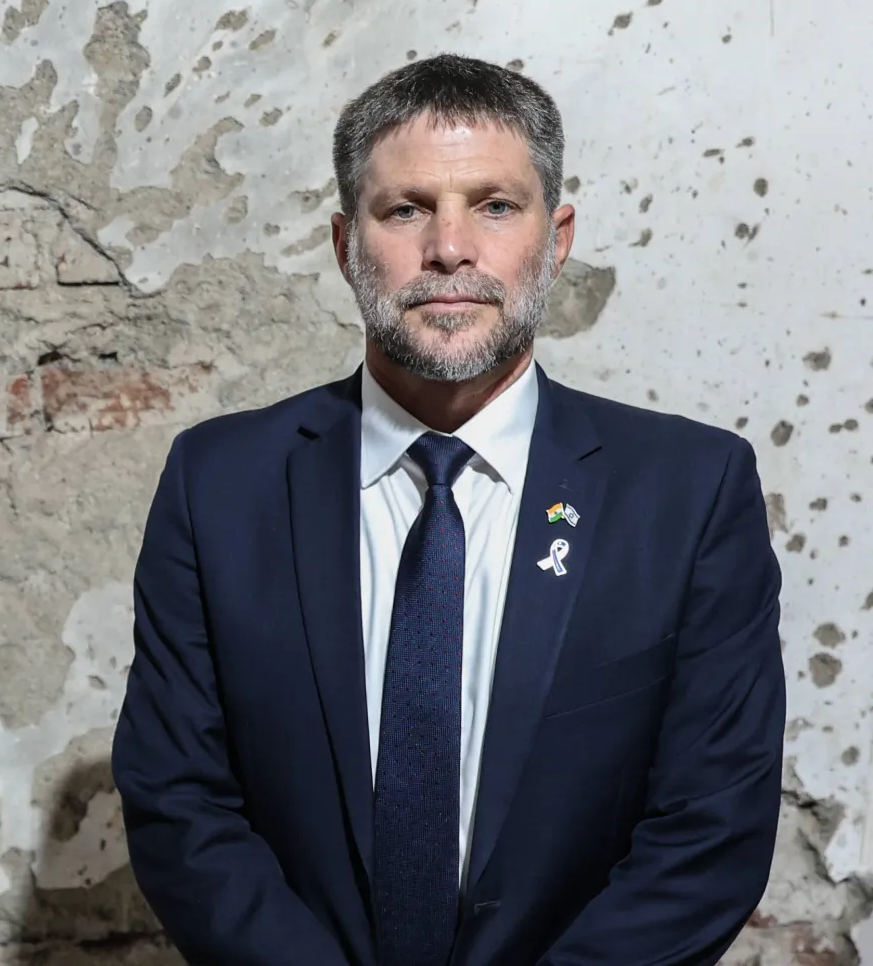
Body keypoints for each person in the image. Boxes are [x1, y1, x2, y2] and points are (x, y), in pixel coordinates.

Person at [111, 53, 785, 966]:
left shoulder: (690, 491)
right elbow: (179, 805)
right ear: (348, 246)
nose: (451, 249)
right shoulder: (219, 481)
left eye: (496, 206)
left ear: (557, 237)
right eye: (407, 209)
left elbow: (710, 834)